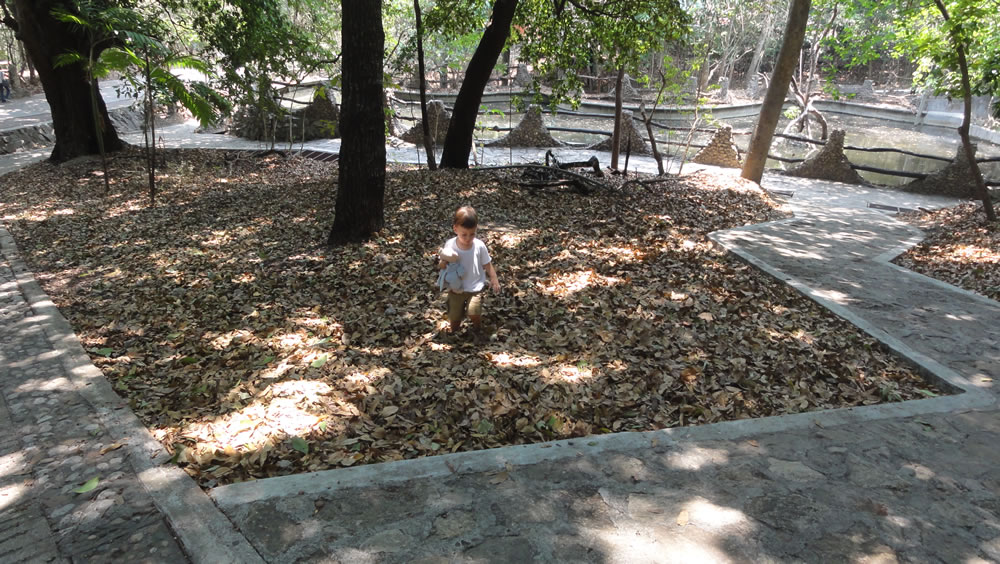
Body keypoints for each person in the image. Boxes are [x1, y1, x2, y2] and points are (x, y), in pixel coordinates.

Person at [438, 205, 500, 333]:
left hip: (475, 287)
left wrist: (494, 279)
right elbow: (444, 262)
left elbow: (487, 264)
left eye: (472, 234)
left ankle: (477, 328)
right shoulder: (450, 244)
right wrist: (442, 264)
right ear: (455, 229)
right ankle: (455, 332)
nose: (468, 238)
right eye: (464, 235)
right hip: (456, 289)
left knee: (474, 312)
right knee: (454, 315)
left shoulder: (479, 246)